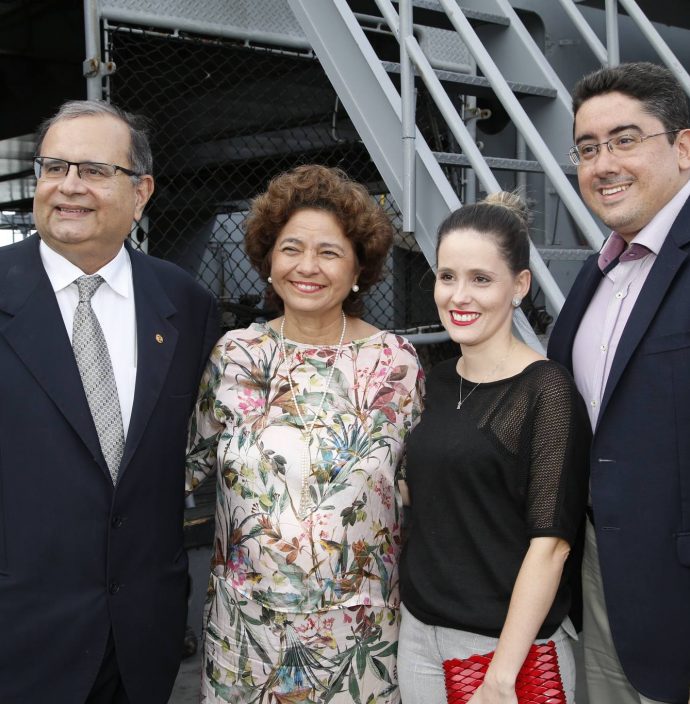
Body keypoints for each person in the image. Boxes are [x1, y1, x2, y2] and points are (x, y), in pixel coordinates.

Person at [0, 100, 219, 704]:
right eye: (54, 167)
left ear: (140, 191)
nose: (69, 186)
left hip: (142, 645)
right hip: (18, 643)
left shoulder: (186, 304)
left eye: (94, 170)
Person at [187, 164, 424, 703]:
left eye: (330, 252)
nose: (307, 267)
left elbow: (421, 488)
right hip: (246, 634)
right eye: (291, 248)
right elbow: (182, 467)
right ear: (268, 260)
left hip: (359, 637)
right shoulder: (234, 356)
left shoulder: (393, 363)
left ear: (359, 266)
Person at [397, 193, 590, 704]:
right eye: (447, 276)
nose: (460, 296)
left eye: (481, 279)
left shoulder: (546, 390)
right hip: (418, 636)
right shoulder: (437, 381)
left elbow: (551, 546)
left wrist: (501, 677)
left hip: (506, 651)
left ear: (519, 286)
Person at [548, 62, 690, 704]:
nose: (603, 163)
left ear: (684, 147)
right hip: (601, 579)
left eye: (626, 139)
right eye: (587, 148)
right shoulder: (596, 273)